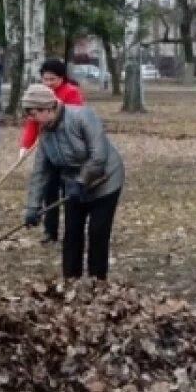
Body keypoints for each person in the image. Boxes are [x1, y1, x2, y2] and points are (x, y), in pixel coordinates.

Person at [20, 84, 124, 280]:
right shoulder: (45, 133)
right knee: (72, 233)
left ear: (47, 108)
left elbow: (99, 155)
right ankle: (71, 280)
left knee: (97, 232)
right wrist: (33, 207)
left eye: (33, 114)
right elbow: (41, 172)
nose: (32, 119)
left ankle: (97, 281)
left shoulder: (82, 117)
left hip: (105, 179)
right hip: (73, 185)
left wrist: (82, 181)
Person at [21, 58, 85, 244]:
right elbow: (32, 122)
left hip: (68, 151)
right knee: (49, 190)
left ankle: (72, 232)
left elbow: (75, 121)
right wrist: (25, 145)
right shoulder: (39, 95)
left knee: (69, 193)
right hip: (49, 149)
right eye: (45, 79)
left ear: (62, 78)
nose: (48, 83)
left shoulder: (71, 93)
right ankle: (50, 231)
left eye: (53, 79)